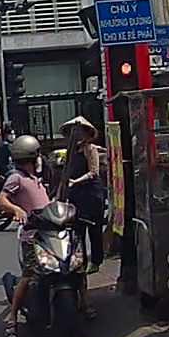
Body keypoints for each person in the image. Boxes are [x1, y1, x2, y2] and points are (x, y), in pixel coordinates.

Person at [0, 134, 52, 337]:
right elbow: (1, 201)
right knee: (29, 275)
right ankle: (12, 318)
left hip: (49, 235)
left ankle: (83, 304)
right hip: (31, 237)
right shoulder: (16, 178)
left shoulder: (36, 179)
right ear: (33, 157)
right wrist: (16, 209)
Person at [62, 116, 105, 289]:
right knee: (77, 231)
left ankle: (96, 261)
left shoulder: (90, 149)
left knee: (94, 230)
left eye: (79, 131)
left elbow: (94, 172)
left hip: (91, 193)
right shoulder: (72, 151)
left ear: (86, 133)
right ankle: (80, 262)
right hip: (76, 195)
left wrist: (76, 181)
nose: (76, 134)